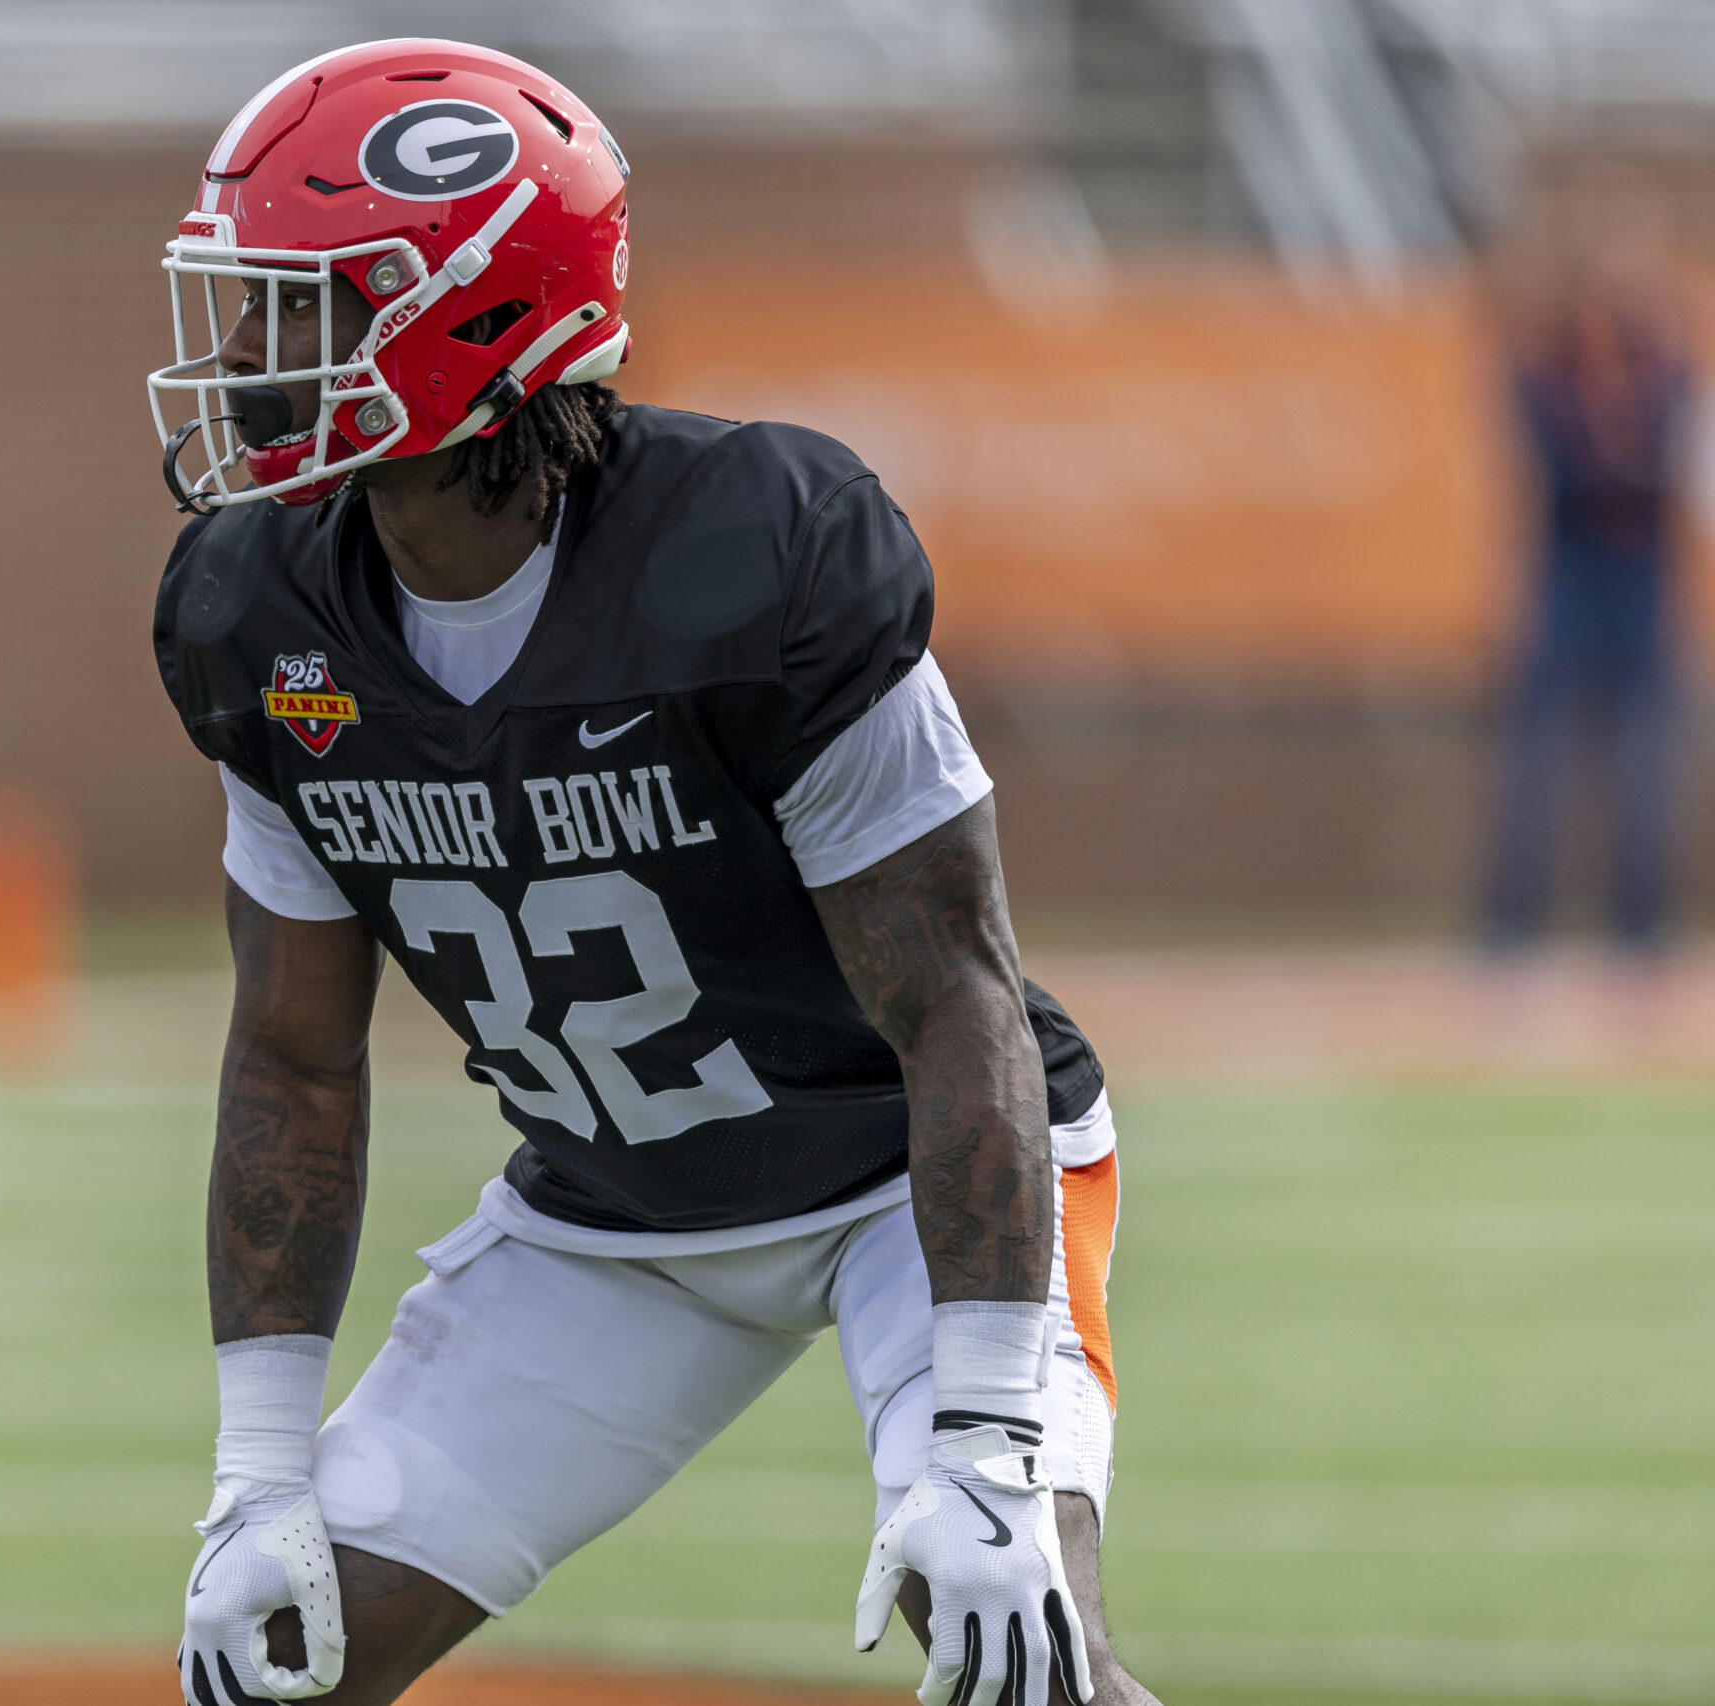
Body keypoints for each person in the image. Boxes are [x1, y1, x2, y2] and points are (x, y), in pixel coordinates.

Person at [148, 40, 1159, 1706]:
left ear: (471, 321)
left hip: (904, 1180)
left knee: (1011, 1648)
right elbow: (294, 1058)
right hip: (617, 1214)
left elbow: (957, 1003)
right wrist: (259, 1473)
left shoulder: (750, 557)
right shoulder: (262, 615)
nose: (250, 353)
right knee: (272, 1656)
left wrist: (981, 1429)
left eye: (306, 304)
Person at [1484, 234, 1695, 952]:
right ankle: (1511, 921)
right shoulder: (1548, 382)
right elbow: (1569, 475)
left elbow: (1668, 469)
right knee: (1537, 758)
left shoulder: (1670, 378)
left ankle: (1639, 922)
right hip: (1569, 579)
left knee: (1645, 763)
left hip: (1640, 583)